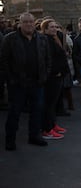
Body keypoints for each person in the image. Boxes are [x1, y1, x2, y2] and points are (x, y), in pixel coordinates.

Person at [1, 13, 52, 150]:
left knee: (37, 111)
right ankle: (10, 139)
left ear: (34, 23)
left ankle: (34, 136)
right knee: (14, 113)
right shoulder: (10, 39)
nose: (29, 24)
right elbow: (4, 61)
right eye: (25, 22)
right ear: (20, 23)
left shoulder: (42, 38)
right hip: (18, 84)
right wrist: (11, 79)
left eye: (31, 22)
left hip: (37, 82)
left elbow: (47, 59)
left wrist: (45, 75)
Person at [40, 19, 70, 140]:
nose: (55, 29)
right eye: (51, 27)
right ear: (45, 29)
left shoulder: (54, 39)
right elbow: (47, 60)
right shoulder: (45, 41)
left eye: (56, 26)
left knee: (54, 104)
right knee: (49, 104)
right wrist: (55, 72)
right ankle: (47, 130)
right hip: (52, 77)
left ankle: (52, 125)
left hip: (58, 76)